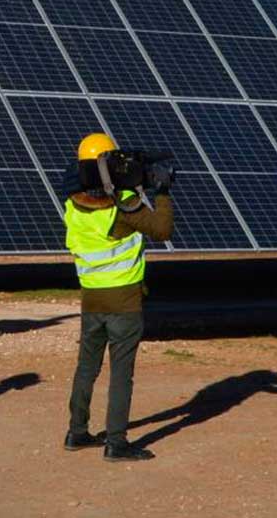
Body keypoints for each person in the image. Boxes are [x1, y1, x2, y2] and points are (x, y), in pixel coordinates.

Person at [63, 133, 174, 462]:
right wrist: (163, 191)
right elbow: (162, 229)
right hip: (123, 302)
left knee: (87, 368)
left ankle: (77, 432)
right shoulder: (123, 206)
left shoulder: (73, 205)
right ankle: (117, 442)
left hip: (91, 300)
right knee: (120, 373)